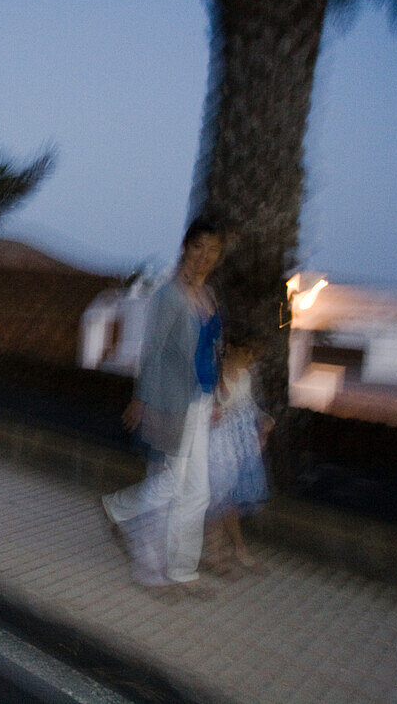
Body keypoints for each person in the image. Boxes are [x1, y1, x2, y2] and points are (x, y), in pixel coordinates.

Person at [102, 217, 224, 589]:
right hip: (172, 400)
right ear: (186, 247)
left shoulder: (208, 295)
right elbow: (152, 351)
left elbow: (212, 350)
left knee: (198, 491)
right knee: (168, 483)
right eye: (199, 246)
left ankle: (181, 567)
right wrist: (142, 398)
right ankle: (143, 557)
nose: (204, 256)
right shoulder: (169, 295)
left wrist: (216, 395)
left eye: (213, 250)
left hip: (201, 401)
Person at [203, 336, 272, 574]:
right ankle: (219, 554)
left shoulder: (245, 376)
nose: (250, 359)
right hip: (215, 444)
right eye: (246, 353)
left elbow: (248, 405)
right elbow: (203, 408)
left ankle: (225, 553)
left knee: (225, 500)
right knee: (217, 499)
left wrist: (263, 419)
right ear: (231, 349)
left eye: (253, 355)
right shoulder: (213, 374)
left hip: (238, 445)